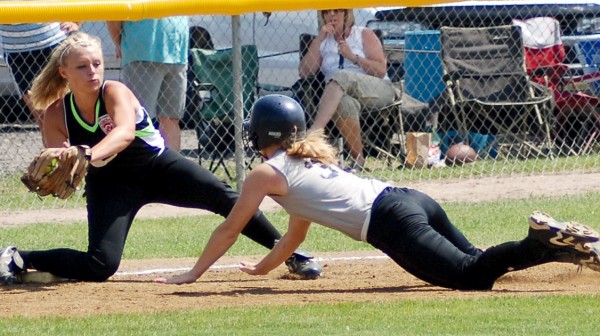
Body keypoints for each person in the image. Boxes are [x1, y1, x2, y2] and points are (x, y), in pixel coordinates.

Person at [156, 94, 600, 288]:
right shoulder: (307, 161)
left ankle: (539, 239)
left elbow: (230, 229)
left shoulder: (265, 174)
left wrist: (193, 273)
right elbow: (295, 237)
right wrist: (261, 268)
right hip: (411, 198)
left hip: (391, 221)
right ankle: (567, 244)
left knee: (472, 275)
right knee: (481, 262)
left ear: (258, 133)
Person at [0, 33, 323, 285]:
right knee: (100, 265)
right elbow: (61, 155)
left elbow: (125, 133)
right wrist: (63, 162)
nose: (92, 71)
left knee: (226, 197)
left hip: (157, 167)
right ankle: (18, 257)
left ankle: (291, 254)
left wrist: (88, 153)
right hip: (111, 183)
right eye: (82, 66)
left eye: (96, 63)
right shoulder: (57, 113)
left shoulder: (114, 91)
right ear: (63, 72)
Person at [298, 9, 397, 171]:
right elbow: (304, 73)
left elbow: (381, 70)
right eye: (327, 12)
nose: (332, 15)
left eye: (337, 11)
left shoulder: (363, 34)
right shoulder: (323, 41)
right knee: (344, 103)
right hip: (339, 94)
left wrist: (352, 57)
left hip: (377, 90)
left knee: (342, 75)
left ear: (346, 14)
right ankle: (359, 160)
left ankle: (314, 132)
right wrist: (319, 40)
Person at [107, 17, 188, 151]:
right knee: (138, 120)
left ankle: (170, 169)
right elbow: (113, 17)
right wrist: (120, 44)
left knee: (171, 119)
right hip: (142, 53)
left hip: (177, 53)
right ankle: (142, 168)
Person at [0, 20, 81, 140]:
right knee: (45, 120)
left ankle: (78, 155)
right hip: (16, 50)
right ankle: (56, 157)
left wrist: (76, 21)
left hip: (54, 40)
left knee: (71, 112)